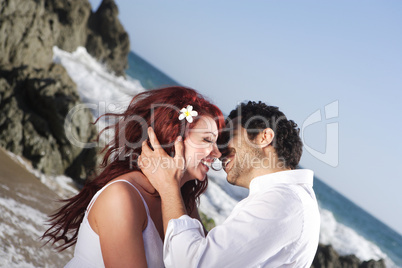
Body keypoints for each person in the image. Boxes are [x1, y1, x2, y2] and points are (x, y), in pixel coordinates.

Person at [42, 86, 225, 267]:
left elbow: (207, 262)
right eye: (207, 140)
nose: (217, 153)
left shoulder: (183, 202)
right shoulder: (122, 197)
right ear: (172, 136)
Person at [139, 101, 320, 267]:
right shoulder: (290, 200)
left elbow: (190, 263)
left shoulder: (283, 202)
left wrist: (168, 188)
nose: (220, 151)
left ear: (264, 137)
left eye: (229, 136)